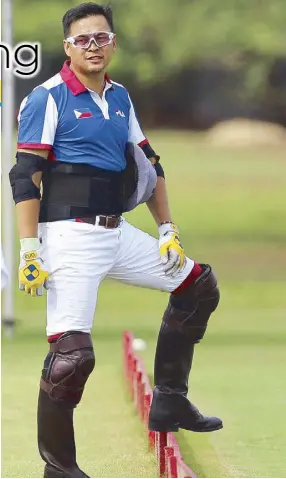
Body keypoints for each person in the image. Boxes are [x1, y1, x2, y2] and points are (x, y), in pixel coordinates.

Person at [9, 3, 222, 478]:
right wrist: (29, 250)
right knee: (71, 358)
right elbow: (25, 177)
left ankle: (170, 401)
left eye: (101, 38)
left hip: (118, 232)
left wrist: (167, 230)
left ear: (113, 43)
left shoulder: (121, 97)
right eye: (83, 40)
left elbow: (150, 165)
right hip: (68, 237)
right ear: (68, 46)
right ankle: (59, 468)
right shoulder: (47, 98)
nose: (93, 47)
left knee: (198, 287)